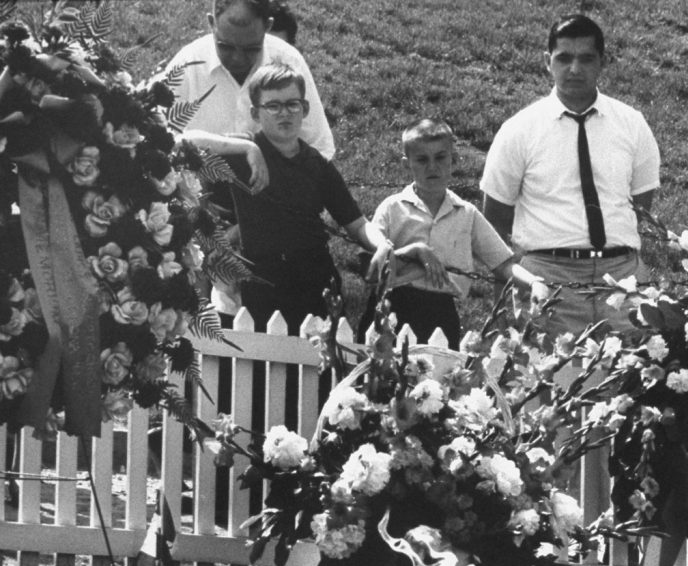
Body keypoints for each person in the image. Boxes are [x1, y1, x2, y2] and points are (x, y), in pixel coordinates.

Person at [480, 14, 660, 337]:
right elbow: (494, 220)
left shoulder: (632, 124)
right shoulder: (519, 130)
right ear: (547, 61)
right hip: (548, 279)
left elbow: (640, 205)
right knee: (553, 382)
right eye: (564, 58)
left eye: (586, 59)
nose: (575, 69)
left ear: (602, 62)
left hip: (621, 276)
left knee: (633, 378)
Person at [185, 62, 388, 333]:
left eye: (292, 104)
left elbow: (357, 223)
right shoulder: (242, 153)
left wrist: (383, 245)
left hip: (313, 281)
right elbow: (184, 141)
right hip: (261, 282)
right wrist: (248, 148)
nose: (285, 114)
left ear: (304, 109)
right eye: (273, 106)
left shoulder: (317, 165)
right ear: (255, 113)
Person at [366, 119, 546, 346]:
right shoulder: (392, 208)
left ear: (454, 160)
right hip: (392, 307)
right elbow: (373, 267)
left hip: (441, 312)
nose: (432, 167)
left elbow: (502, 264)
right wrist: (414, 251)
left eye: (440, 157)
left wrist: (534, 282)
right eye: (422, 160)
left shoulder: (466, 214)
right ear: (406, 164)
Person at [167, 0, 334, 161]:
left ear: (268, 27)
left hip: (276, 183)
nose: (237, 59)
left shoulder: (288, 60)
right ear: (212, 23)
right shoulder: (187, 64)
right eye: (226, 46)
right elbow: (158, 141)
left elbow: (319, 149)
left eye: (251, 49)